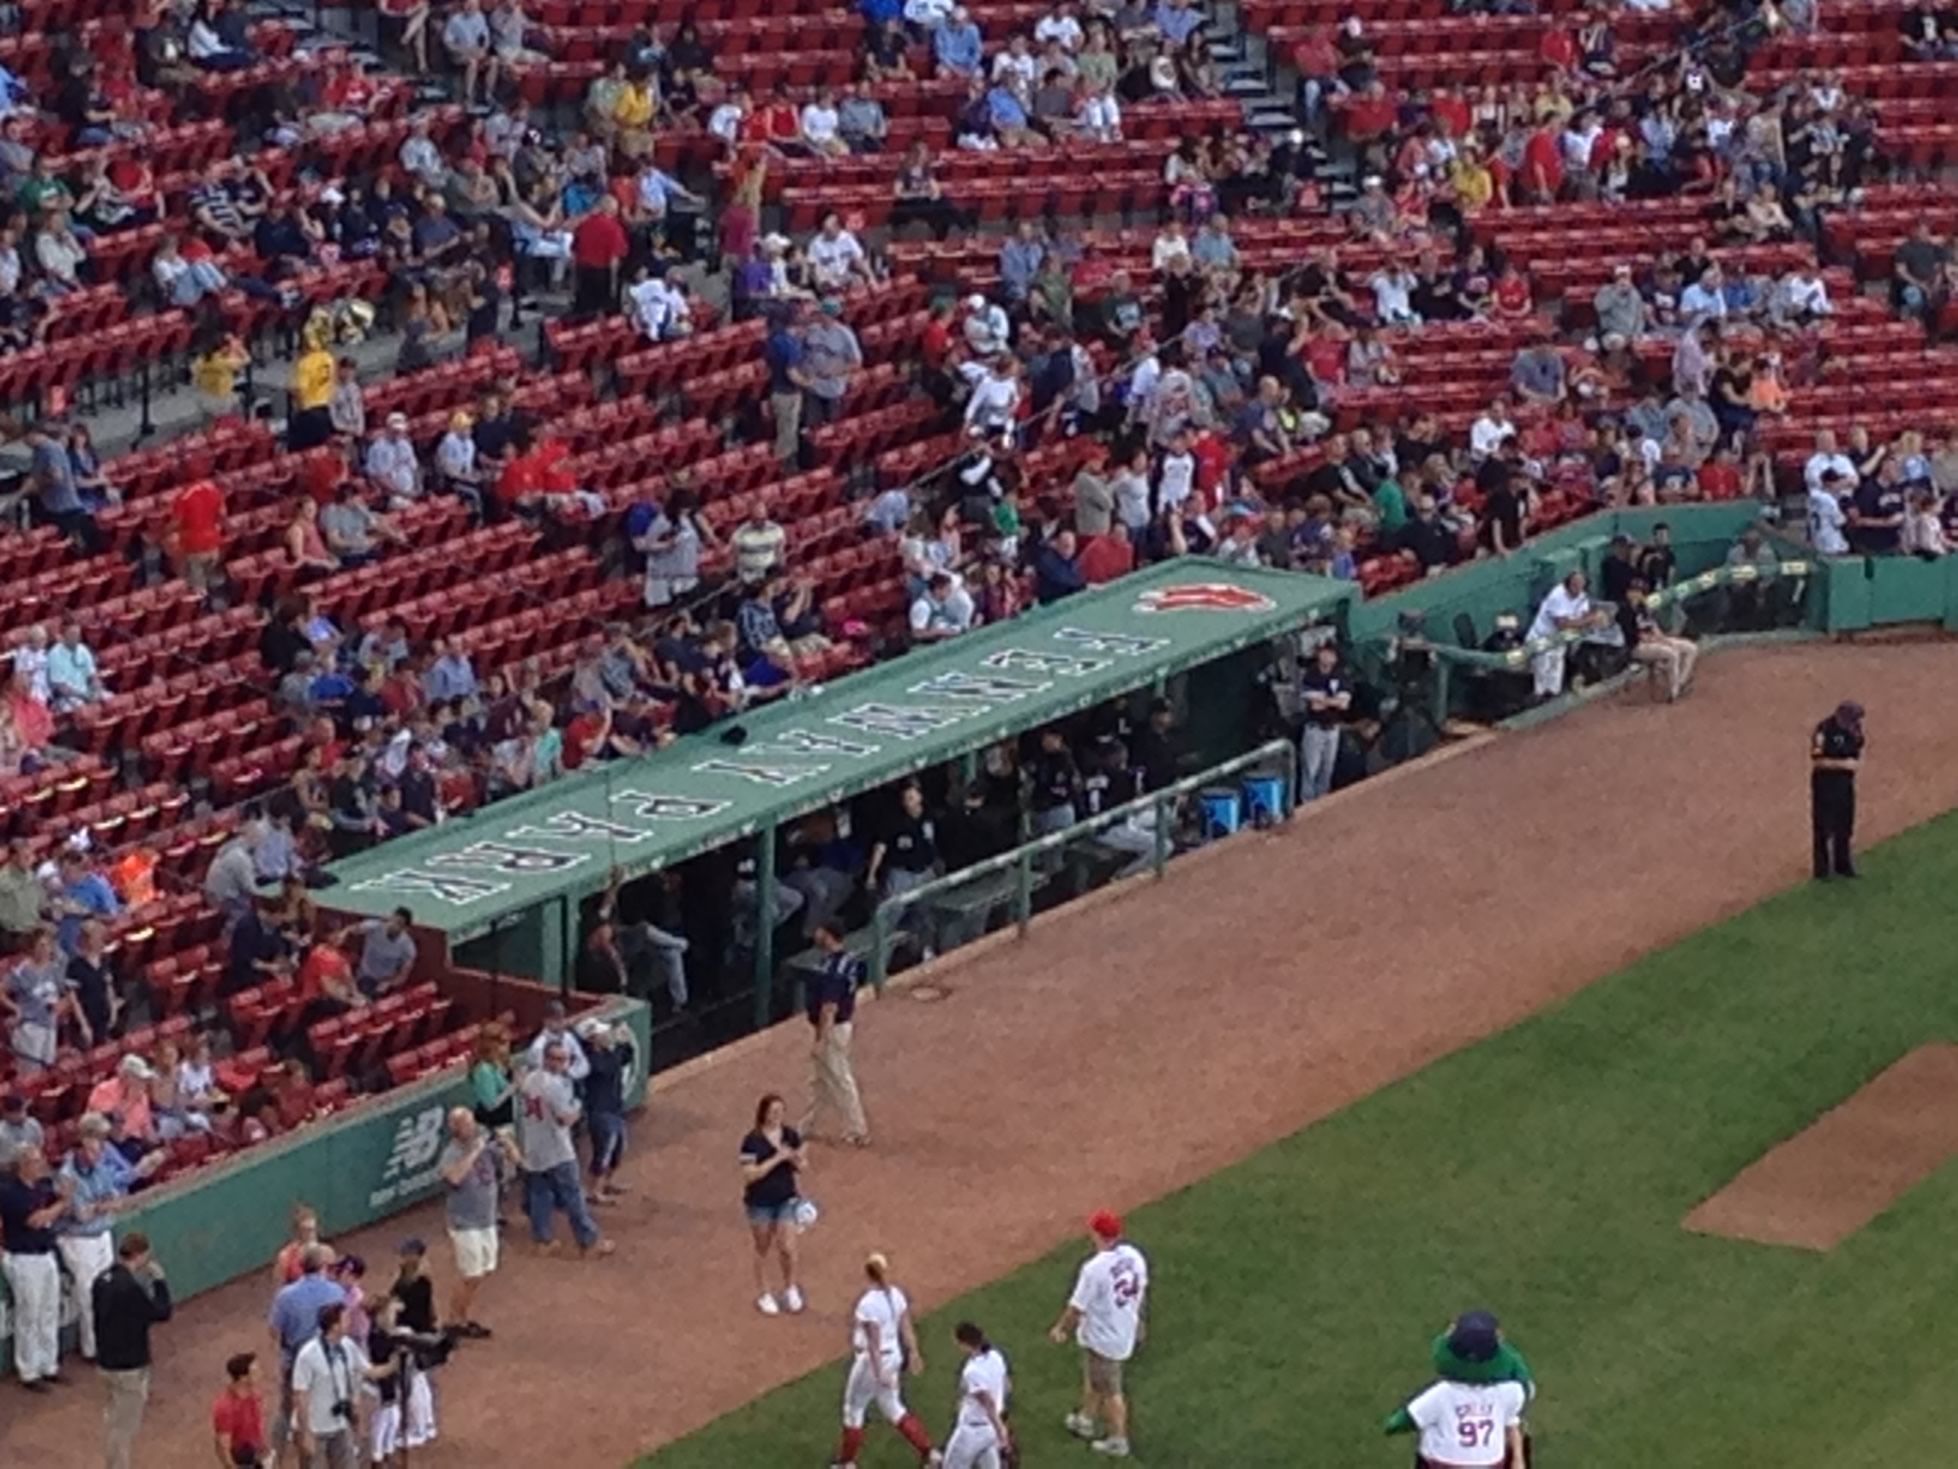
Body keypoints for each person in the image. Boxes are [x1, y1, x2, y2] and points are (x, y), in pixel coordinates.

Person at [1050, 1210, 1148, 1459]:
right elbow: (1141, 1291)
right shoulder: (1134, 1256)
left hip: (1105, 1338)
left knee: (1111, 1390)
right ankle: (1085, 1419)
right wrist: (1139, 1320)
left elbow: (1077, 1306)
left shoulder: (1094, 1268)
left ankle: (1118, 1439)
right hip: (1122, 1328)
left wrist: (1061, 1328)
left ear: (1096, 1234)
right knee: (1094, 1378)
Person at [833, 1251, 937, 1467]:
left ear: (867, 1274)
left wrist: (877, 1372)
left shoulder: (867, 1303)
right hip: (895, 1357)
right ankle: (929, 1452)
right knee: (893, 1406)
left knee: (853, 1409)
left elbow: (873, 1341)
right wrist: (914, 1352)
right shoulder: (896, 1295)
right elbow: (906, 1327)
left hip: (874, 1361)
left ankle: (846, 1464)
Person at [517, 1038, 614, 1257]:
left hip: (534, 1150)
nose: (561, 1064)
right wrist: (579, 1107)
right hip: (558, 1151)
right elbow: (565, 1119)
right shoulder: (554, 1085)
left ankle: (543, 1241)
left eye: (564, 1059)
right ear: (547, 1059)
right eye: (557, 1059)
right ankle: (588, 1242)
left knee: (540, 1195)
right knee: (573, 1196)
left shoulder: (530, 1080)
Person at [92, 1230, 172, 1469]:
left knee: (114, 1421)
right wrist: (159, 1282)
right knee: (123, 1429)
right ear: (141, 1254)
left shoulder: (101, 1280)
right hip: (128, 1368)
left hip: (105, 1363)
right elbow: (162, 1311)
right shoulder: (129, 1288)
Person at [267, 1245, 347, 1458]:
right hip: (328, 1360)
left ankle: (276, 1457)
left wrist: (281, 1360)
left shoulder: (285, 1296)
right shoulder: (336, 1291)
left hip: (294, 1359)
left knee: (287, 1408)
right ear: (322, 1266)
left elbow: (274, 1332)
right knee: (330, 1402)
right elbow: (343, 1328)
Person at [439, 1107, 512, 1337]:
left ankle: (461, 1316)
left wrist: (507, 1142)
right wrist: (474, 1151)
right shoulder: (452, 1152)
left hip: (486, 1219)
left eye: (472, 1123)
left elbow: (517, 1161)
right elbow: (454, 1177)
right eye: (466, 1124)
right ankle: (454, 1320)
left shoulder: (486, 1147)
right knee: (471, 1274)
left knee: (484, 1270)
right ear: (455, 1129)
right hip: (464, 1222)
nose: (472, 1128)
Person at [290, 1302, 390, 1469]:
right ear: (334, 1326)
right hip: (315, 1429)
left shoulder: (347, 1346)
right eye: (346, 1319)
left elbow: (370, 1371)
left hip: (339, 1424)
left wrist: (394, 1365)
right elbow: (301, 1395)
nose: (350, 1321)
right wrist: (305, 1432)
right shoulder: (308, 1355)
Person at [0, 1143, 67, 1389]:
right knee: (30, 1315)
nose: (41, 1165)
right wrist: (62, 1204)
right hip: (24, 1258)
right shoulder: (10, 1193)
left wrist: (59, 1202)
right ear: (23, 1165)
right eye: (35, 1162)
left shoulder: (41, 1186)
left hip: (45, 1253)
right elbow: (37, 1221)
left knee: (50, 1311)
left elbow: (56, 1202)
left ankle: (49, 1365)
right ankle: (29, 1371)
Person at [803, 922, 870, 1147]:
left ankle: (858, 1129)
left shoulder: (834, 968)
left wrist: (821, 1039)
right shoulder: (847, 959)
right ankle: (808, 1125)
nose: (816, 934)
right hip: (836, 1027)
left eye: (820, 930)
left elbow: (829, 1007)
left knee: (840, 1078)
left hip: (833, 1028)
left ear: (829, 935)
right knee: (819, 1080)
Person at [739, 1092, 807, 1316]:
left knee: (787, 1246)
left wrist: (796, 1159)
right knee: (763, 1247)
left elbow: (801, 1165)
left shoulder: (790, 1135)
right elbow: (750, 1175)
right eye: (773, 1112)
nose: (777, 1116)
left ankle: (790, 1287)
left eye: (781, 1111)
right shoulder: (752, 1141)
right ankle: (764, 1293)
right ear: (764, 1114)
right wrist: (778, 1158)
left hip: (786, 1198)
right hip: (761, 1202)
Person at [938, 1320, 1013, 1469]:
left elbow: (987, 1402)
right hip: (990, 1431)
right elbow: (1007, 1386)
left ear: (965, 1344)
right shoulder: (996, 1356)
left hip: (971, 1432)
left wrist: (1001, 1432)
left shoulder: (972, 1371)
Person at [1811, 700, 1864, 880]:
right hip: (1825, 785)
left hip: (1845, 784)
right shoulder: (1824, 730)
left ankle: (1843, 865)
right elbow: (1818, 761)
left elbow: (1856, 749)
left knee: (1845, 824)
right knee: (1824, 827)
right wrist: (1843, 764)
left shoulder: (1854, 729)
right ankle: (1822, 870)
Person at [1297, 640, 1351, 801]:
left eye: (1331, 654)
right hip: (1315, 729)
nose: (1327, 657)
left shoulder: (1340, 675)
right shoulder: (1311, 675)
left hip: (1333, 729)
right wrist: (1332, 701)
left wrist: (1326, 701)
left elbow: (1344, 703)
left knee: (1327, 769)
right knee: (1310, 770)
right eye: (1324, 652)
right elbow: (1313, 704)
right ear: (1318, 654)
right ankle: (1307, 805)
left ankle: (1322, 803)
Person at [213, 1351, 270, 1468]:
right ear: (243, 1377)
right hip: (241, 1460)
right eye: (255, 1371)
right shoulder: (225, 1407)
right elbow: (223, 1446)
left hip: (256, 1456)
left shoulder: (254, 1396)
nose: (261, 1373)